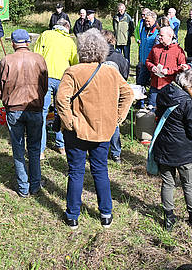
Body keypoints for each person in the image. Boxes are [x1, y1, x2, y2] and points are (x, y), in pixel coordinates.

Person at [56, 29, 133, 230]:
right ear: (102, 50)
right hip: (102, 130)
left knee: (76, 172)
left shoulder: (73, 72)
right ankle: (106, 214)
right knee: (100, 171)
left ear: (81, 50)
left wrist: (70, 122)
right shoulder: (111, 72)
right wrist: (116, 119)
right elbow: (128, 95)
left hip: (77, 131)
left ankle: (73, 216)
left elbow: (61, 100)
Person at [0, 29, 48, 197]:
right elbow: (44, 84)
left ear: (13, 43)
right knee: (34, 147)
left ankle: (23, 188)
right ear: (28, 42)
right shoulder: (39, 59)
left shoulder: (6, 60)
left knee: (18, 149)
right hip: (34, 107)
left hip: (14, 108)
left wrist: (7, 102)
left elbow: (0, 86)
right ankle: (34, 185)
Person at [153, 68, 192, 231]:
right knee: (188, 184)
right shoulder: (187, 103)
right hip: (183, 150)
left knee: (168, 183)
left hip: (164, 146)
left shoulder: (164, 92)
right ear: (189, 84)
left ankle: (168, 218)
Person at [33, 18, 79, 156]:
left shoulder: (45, 35)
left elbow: (36, 54)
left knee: (42, 113)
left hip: (45, 77)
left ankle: (40, 150)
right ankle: (62, 146)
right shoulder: (70, 42)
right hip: (63, 80)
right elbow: (75, 62)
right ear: (67, 27)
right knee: (62, 112)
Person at [101, 30, 129, 163]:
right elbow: (125, 75)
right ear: (113, 41)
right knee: (114, 124)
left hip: (98, 93)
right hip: (115, 93)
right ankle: (116, 153)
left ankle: (101, 149)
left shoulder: (96, 55)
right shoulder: (120, 57)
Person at [145, 27, 188, 108]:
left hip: (169, 86)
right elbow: (148, 61)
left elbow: (182, 67)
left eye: (161, 35)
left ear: (170, 36)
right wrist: (152, 67)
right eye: (159, 35)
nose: (159, 37)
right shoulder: (155, 48)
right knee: (151, 109)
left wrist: (169, 71)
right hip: (155, 85)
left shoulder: (178, 50)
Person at [137, 10, 159, 87]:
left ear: (154, 20)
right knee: (140, 82)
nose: (146, 23)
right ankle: (141, 98)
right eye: (145, 21)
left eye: (148, 21)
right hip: (143, 62)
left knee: (153, 85)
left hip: (152, 63)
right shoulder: (144, 30)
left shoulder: (157, 32)